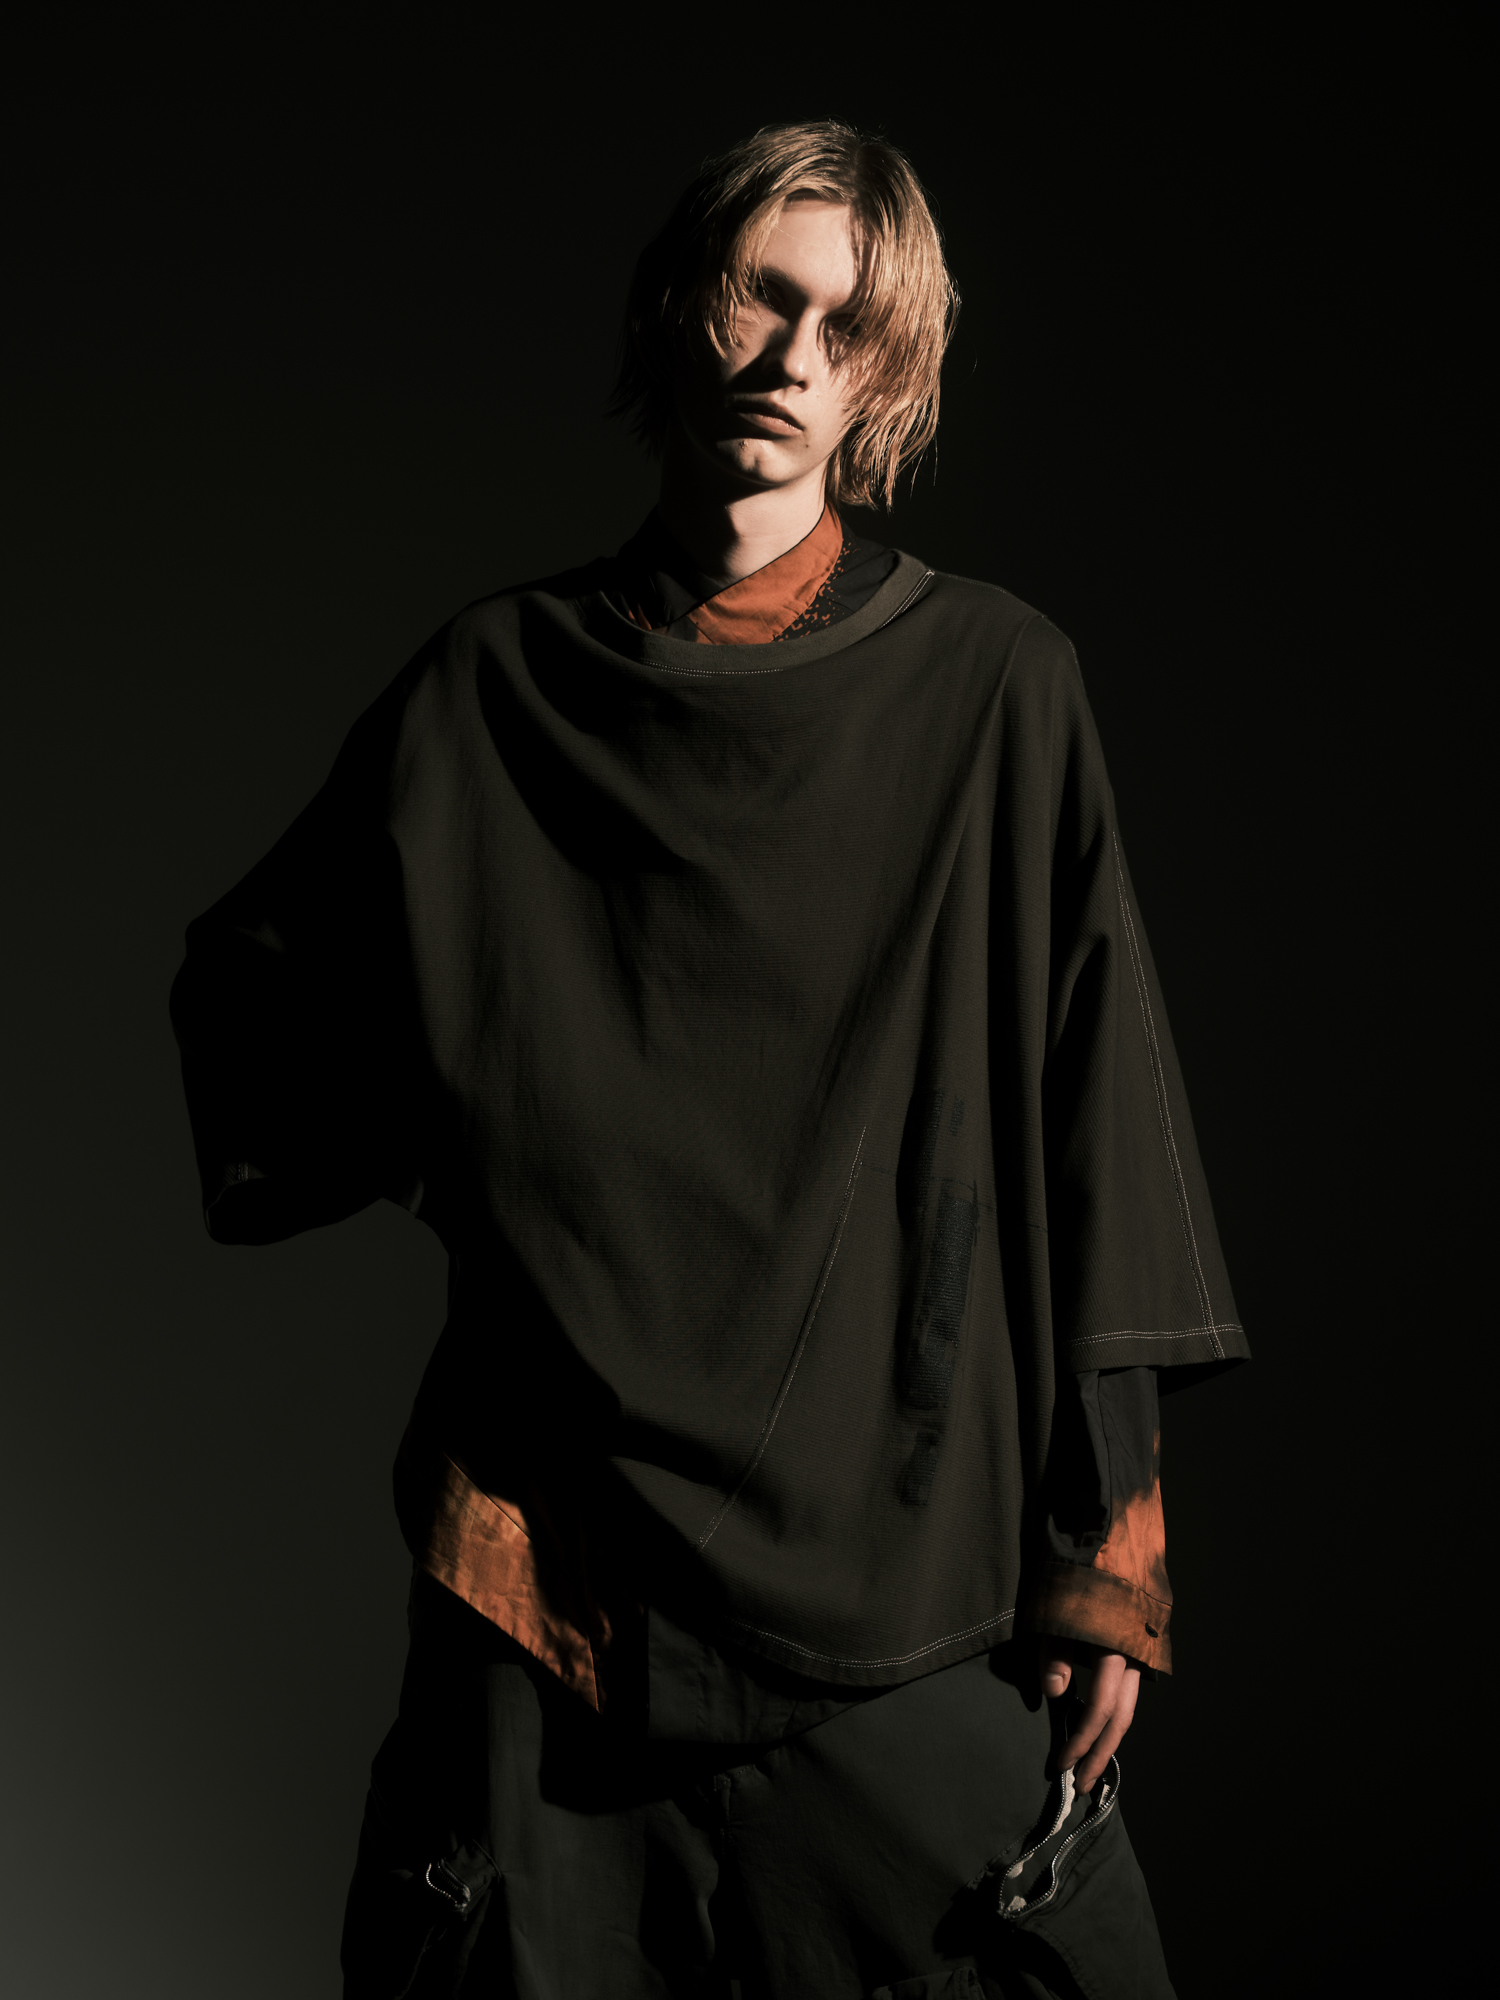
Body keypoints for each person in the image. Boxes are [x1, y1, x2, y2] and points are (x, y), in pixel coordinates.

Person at [171, 120, 1248, 2000]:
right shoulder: (492, 691)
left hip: (902, 1575)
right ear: (678, 304)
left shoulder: (995, 691)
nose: (795, 357)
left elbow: (1096, 1126)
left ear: (890, 374)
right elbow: (261, 1006)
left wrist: (1107, 1568)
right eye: (764, 295)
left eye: (849, 325)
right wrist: (503, 1131)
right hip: (554, 1583)